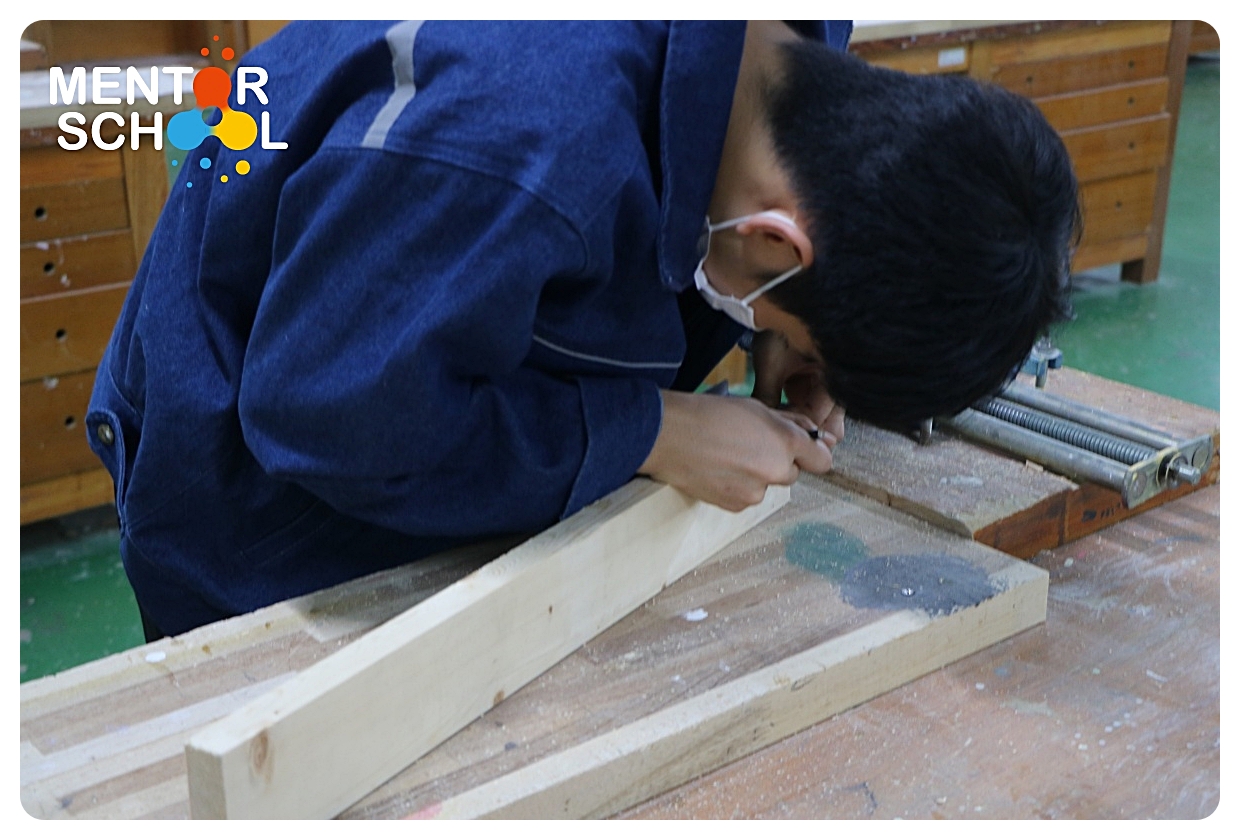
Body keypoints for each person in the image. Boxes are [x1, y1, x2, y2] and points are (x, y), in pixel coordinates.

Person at [86, 21, 1079, 639]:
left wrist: (787, 337)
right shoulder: (515, 155)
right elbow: (325, 419)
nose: (790, 354)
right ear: (774, 243)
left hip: (408, 282)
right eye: (800, 334)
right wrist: (652, 431)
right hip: (256, 454)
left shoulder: (787, 67)